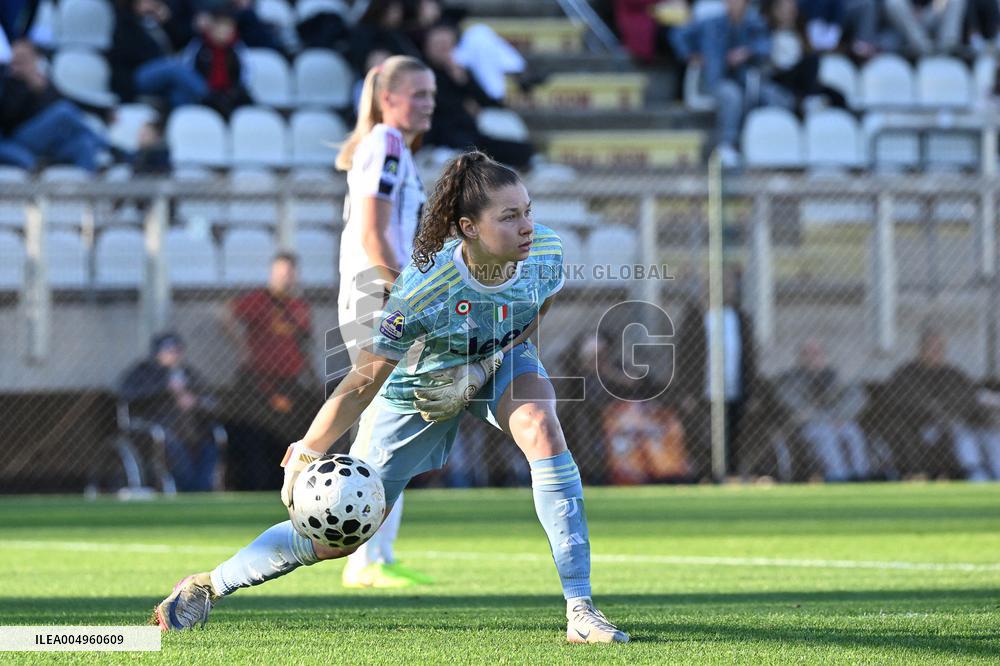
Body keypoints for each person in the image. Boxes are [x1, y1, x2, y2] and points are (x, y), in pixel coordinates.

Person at [153, 150, 630, 644]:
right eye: (510, 217)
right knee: (339, 537)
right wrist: (309, 449)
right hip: (414, 391)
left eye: (528, 210)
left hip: (500, 358)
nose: (528, 225)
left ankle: (581, 609)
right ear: (468, 227)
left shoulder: (546, 253)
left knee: (542, 428)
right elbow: (364, 379)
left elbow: (535, 312)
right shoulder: (425, 290)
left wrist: (488, 361)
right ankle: (208, 585)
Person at [334, 54, 436, 589]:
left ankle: (378, 553)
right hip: (379, 297)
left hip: (380, 294)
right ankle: (363, 559)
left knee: (391, 422)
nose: (428, 104)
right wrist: (406, 293)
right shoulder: (387, 145)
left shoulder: (394, 149)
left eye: (432, 95)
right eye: (418, 94)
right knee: (382, 425)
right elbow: (375, 231)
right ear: (388, 98)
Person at [224, 252, 321, 490]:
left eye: (289, 273)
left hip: (289, 381)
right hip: (259, 381)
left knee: (291, 435)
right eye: (280, 273)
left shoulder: (299, 307)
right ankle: (255, 486)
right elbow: (226, 314)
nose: (284, 279)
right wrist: (242, 347)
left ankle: (290, 484)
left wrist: (312, 376)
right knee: (257, 435)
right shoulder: (261, 300)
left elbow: (304, 345)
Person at [670, 0, 794, 167]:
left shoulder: (754, 23)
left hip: (747, 80)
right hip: (716, 80)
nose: (734, 4)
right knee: (732, 95)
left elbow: (767, 45)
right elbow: (677, 35)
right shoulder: (710, 22)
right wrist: (690, 55)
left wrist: (747, 52)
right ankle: (727, 145)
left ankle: (777, 146)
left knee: (777, 97)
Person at [880, 326, 1000, 480]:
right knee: (961, 436)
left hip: (964, 420)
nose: (936, 351)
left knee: (992, 434)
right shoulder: (907, 373)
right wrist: (942, 411)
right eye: (932, 347)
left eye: (940, 347)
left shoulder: (952, 373)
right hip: (925, 425)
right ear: (921, 349)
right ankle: (975, 476)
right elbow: (910, 402)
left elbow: (971, 396)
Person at [421, 22, 535, 171]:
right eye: (438, 45)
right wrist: (463, 104)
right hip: (442, 133)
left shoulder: (460, 71)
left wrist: (463, 81)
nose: (444, 49)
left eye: (447, 45)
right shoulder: (423, 72)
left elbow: (488, 102)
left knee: (522, 150)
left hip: (470, 132)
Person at [119, 332, 221, 492]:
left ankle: (203, 490)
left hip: (192, 430)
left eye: (177, 350)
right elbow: (127, 394)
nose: (174, 355)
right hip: (157, 428)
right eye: (169, 350)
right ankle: (188, 490)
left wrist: (195, 402)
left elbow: (212, 402)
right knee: (172, 444)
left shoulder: (188, 373)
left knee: (210, 444)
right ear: (157, 352)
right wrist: (165, 388)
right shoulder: (144, 372)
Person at [0, 39, 111, 171]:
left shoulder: (43, 81)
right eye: (15, 60)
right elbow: (7, 117)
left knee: (84, 143)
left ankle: (88, 189)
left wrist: (103, 112)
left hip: (48, 140)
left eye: (23, 59)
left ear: (35, 59)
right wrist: (29, 89)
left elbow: (68, 100)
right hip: (19, 140)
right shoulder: (8, 81)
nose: (17, 64)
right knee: (63, 112)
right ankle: (107, 145)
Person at [775, 338, 871, 481]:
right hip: (806, 427)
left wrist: (840, 417)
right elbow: (797, 409)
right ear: (800, 358)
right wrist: (828, 419)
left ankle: (861, 475)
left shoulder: (835, 378)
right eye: (807, 354)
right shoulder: (789, 380)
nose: (813, 358)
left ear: (824, 356)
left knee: (852, 431)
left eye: (817, 353)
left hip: (838, 422)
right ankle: (839, 477)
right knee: (825, 434)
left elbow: (858, 399)